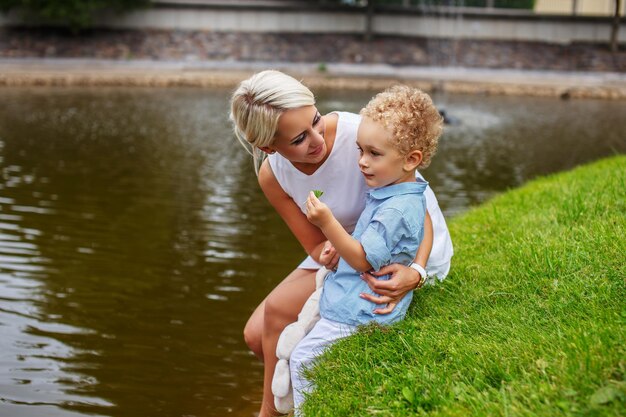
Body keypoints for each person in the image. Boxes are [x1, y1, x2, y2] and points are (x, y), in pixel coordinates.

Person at [229, 70, 453, 417]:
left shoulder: (360, 136)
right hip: (350, 247)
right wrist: (327, 250)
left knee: (273, 317)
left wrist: (417, 272)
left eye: (316, 121)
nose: (317, 139)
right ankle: (297, 389)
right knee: (256, 337)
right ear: (268, 147)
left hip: (405, 250)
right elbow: (315, 247)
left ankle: (270, 413)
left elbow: (417, 205)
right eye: (299, 138)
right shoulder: (272, 175)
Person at [290, 85, 441, 413]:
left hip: (361, 310)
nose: (361, 162)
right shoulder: (399, 189)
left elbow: (361, 259)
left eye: (373, 154)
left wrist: (326, 222)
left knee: (302, 360)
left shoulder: (396, 208)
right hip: (359, 299)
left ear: (411, 159)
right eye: (360, 150)